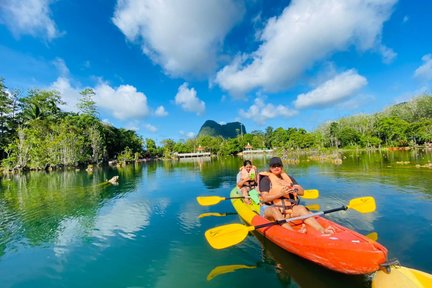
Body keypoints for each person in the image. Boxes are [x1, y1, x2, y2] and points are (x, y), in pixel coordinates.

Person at [259, 157, 334, 234]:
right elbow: (265, 198)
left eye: (278, 165)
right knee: (274, 210)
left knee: (301, 208)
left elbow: (302, 192)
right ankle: (294, 233)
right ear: (270, 168)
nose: (276, 167)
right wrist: (281, 193)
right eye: (273, 166)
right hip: (270, 210)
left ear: (282, 167)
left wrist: (295, 189)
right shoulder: (266, 179)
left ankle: (322, 230)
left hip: (288, 209)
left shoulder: (288, 178)